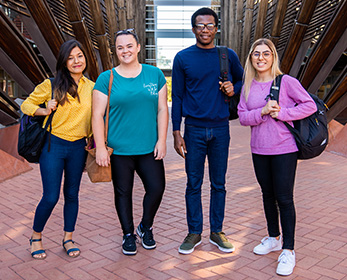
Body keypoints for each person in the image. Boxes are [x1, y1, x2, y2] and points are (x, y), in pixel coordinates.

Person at [237, 38, 317, 276]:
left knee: (284, 198)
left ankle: (289, 250)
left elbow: (309, 105)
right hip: (258, 149)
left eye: (266, 54)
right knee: (267, 195)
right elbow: (242, 116)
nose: (261, 58)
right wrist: (261, 112)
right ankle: (273, 237)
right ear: (251, 58)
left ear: (273, 57)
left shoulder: (286, 82)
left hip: (284, 149)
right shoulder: (248, 85)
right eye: (256, 54)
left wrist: (284, 113)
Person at [171, 7, 243, 254]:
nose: (205, 30)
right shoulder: (182, 58)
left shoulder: (227, 55)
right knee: (193, 183)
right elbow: (177, 96)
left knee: (219, 183)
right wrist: (176, 131)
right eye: (200, 25)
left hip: (221, 129)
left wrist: (235, 87)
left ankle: (217, 231)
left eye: (210, 25)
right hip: (193, 130)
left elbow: (244, 80)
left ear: (216, 28)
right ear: (193, 29)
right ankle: (194, 233)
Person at [92, 29, 168, 256]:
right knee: (123, 192)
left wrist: (162, 140)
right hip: (119, 150)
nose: (125, 51)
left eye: (129, 46)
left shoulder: (154, 75)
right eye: (120, 47)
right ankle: (128, 234)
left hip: (148, 147)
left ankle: (145, 227)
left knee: (156, 188)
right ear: (115, 51)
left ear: (138, 48)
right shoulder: (106, 78)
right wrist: (101, 148)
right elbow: (97, 115)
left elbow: (163, 109)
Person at [21, 39, 94, 259]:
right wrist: (44, 110)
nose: (76, 61)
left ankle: (68, 237)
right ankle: (36, 237)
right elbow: (26, 105)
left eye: (79, 56)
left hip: (78, 149)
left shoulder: (92, 87)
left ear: (85, 58)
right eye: (70, 58)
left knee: (72, 195)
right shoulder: (50, 84)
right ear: (64, 62)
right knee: (51, 196)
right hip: (54, 146)